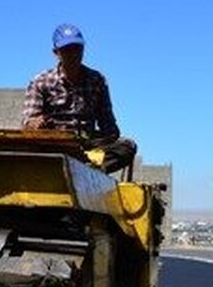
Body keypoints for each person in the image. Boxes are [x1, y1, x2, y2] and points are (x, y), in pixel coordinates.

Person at [22, 23, 137, 174]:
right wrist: (36, 124)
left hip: (87, 147)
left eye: (77, 49)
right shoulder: (41, 81)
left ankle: (87, 169)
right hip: (54, 145)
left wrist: (104, 137)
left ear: (83, 50)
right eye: (67, 50)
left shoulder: (97, 80)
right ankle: (80, 168)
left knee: (128, 146)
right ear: (56, 52)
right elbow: (28, 123)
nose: (73, 54)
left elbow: (109, 128)